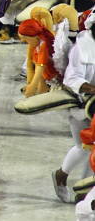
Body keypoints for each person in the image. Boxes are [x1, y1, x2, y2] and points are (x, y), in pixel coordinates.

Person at [54, 10, 95, 203]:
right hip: (82, 104)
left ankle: (85, 191)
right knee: (83, 147)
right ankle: (61, 175)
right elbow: (72, 79)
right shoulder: (82, 47)